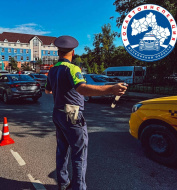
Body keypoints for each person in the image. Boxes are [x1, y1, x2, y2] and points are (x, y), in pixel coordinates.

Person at [45, 36, 127, 190]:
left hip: (57, 112)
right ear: (73, 52)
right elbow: (82, 89)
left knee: (62, 149)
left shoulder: (52, 70)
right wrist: (111, 88)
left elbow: (47, 90)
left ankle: (63, 183)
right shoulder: (72, 68)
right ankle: (79, 187)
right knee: (79, 153)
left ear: (58, 52)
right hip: (71, 112)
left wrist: (60, 88)